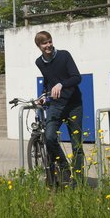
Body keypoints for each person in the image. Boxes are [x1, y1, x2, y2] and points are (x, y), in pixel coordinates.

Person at [34, 31, 84, 187]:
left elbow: (77, 77)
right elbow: (49, 81)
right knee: (49, 137)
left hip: (73, 104)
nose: (48, 45)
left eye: (49, 41)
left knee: (76, 145)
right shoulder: (39, 62)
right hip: (55, 105)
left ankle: (78, 184)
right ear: (39, 46)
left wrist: (62, 84)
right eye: (44, 43)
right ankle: (64, 168)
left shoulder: (64, 55)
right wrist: (44, 94)